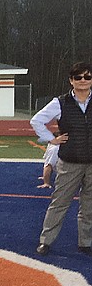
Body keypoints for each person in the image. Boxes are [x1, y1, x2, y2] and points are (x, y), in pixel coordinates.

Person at [31, 62, 92, 257]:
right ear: (71, 81)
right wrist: (52, 139)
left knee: (89, 205)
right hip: (69, 163)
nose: (83, 81)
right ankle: (45, 241)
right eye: (78, 77)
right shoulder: (60, 102)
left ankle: (86, 243)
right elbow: (36, 120)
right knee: (59, 203)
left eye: (87, 77)